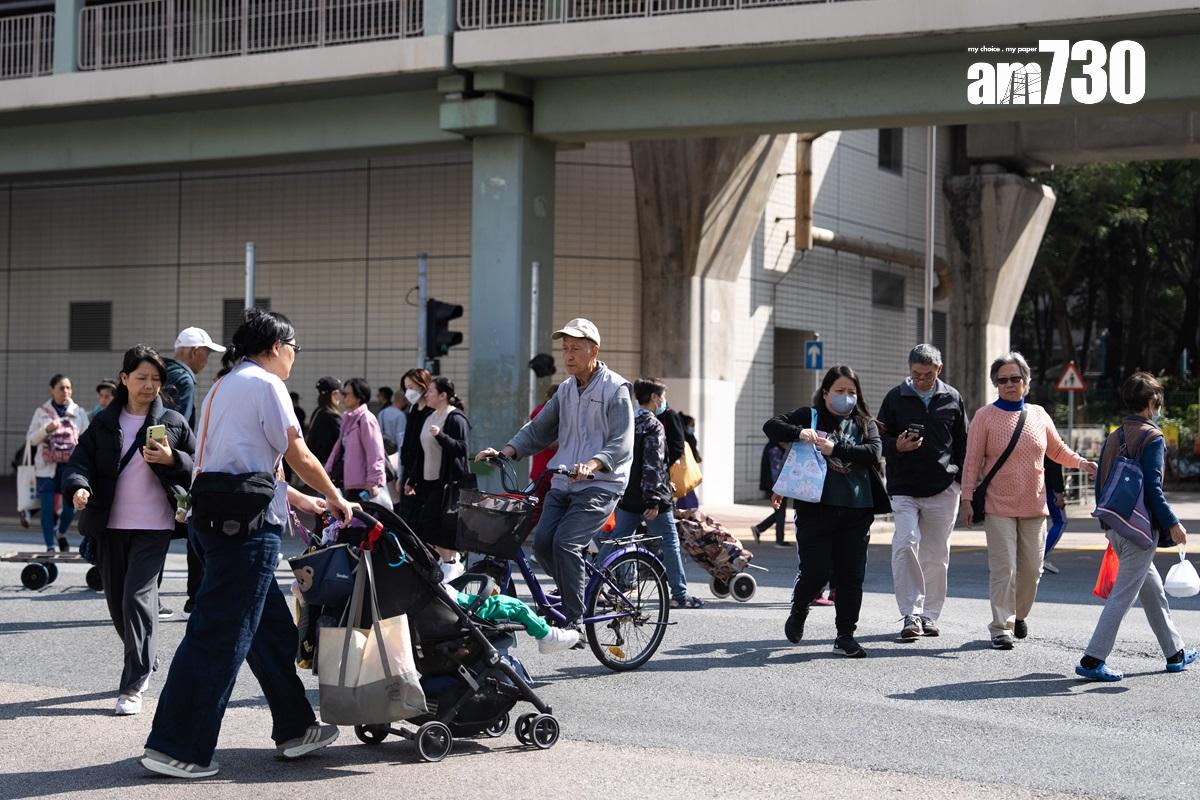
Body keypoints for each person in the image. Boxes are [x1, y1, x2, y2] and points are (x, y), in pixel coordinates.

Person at [142, 309, 354, 779]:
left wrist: (298, 499)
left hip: (216, 520)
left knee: (269, 631)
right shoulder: (266, 384)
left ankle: (297, 728)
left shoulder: (224, 385)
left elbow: (240, 461)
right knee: (219, 637)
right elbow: (296, 453)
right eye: (295, 347)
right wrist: (334, 496)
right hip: (246, 531)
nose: (295, 357)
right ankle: (178, 747)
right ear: (277, 345)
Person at [475, 318, 634, 631]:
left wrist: (593, 464)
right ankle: (583, 587)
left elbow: (622, 441)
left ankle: (574, 620)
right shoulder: (564, 390)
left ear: (594, 351)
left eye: (576, 348)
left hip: (601, 483)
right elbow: (538, 429)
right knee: (544, 543)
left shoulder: (616, 389)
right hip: (564, 480)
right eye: (565, 349)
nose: (569, 355)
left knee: (565, 543)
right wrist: (506, 451)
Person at [62, 345, 196, 716]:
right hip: (110, 526)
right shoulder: (104, 422)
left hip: (155, 526)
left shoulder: (172, 421)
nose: (149, 385)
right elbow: (79, 462)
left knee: (137, 597)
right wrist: (78, 487)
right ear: (125, 379)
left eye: (156, 379)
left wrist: (173, 459)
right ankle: (146, 657)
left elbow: (198, 465)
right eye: (141, 378)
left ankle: (133, 684)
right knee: (119, 605)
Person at [960, 352, 1097, 651]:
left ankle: (1019, 614)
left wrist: (1081, 462)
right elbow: (971, 463)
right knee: (1004, 568)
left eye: (1015, 379)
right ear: (996, 384)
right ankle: (1001, 627)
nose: (1009, 384)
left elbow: (1057, 450)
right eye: (1003, 380)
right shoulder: (984, 417)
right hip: (998, 506)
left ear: (1026, 382)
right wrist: (967, 499)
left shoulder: (1038, 415)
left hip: (1035, 506)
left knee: (1033, 569)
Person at [1076, 372, 1195, 681]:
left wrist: (1107, 523)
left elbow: (1102, 482)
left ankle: (1175, 653)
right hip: (1141, 532)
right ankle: (1092, 660)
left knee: (1152, 591)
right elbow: (1154, 489)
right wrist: (1173, 524)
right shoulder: (1152, 437)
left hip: (1117, 527)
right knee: (1123, 597)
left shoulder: (1114, 436)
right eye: (1159, 401)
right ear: (1152, 402)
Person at [765, 364, 891, 658]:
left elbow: (873, 452)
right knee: (815, 571)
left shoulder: (864, 423)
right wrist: (799, 432)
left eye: (851, 392)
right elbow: (771, 426)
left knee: (851, 575)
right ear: (825, 394)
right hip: (815, 508)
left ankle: (845, 635)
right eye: (839, 391)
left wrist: (836, 449)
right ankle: (799, 609)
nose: (846, 397)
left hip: (857, 510)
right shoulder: (809, 416)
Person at [876, 344, 969, 641]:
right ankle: (909, 613)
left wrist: (960, 482)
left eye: (927, 375)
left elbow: (963, 444)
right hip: (903, 487)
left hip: (943, 487)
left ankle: (930, 615)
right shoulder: (895, 397)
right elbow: (878, 438)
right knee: (905, 543)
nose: (921, 380)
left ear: (939, 369)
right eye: (915, 374)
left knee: (936, 554)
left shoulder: (952, 398)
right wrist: (896, 446)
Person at [604, 377, 702, 609]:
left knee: (617, 540)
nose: (664, 401)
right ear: (655, 398)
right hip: (651, 500)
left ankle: (589, 583)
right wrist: (654, 498)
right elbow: (653, 464)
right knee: (670, 542)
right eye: (663, 397)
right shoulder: (653, 425)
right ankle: (680, 594)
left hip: (627, 496)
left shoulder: (628, 422)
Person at [404, 377, 471, 567]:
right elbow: (421, 452)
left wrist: (440, 436)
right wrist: (413, 479)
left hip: (446, 482)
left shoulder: (455, 418)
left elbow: (462, 449)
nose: (427, 394)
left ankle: (450, 562)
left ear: (443, 395)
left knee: (434, 522)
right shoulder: (429, 417)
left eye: (431, 391)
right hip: (427, 480)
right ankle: (449, 561)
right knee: (428, 524)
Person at [26, 374, 90, 552]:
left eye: (69, 388)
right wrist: (46, 429)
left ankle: (60, 532)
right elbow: (31, 440)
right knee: (47, 510)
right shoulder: (41, 412)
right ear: (52, 390)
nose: (66, 392)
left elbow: (86, 441)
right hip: (46, 469)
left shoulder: (79, 412)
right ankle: (50, 546)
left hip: (71, 469)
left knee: (70, 509)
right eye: (61, 388)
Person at [326, 377, 391, 511]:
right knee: (348, 524)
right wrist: (327, 469)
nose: (343, 397)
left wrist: (373, 481)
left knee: (359, 526)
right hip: (347, 482)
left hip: (362, 485)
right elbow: (338, 448)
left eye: (346, 394)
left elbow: (375, 452)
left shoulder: (366, 419)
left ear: (358, 397)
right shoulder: (348, 418)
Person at [163, 327, 226, 429]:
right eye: (207, 354)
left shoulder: (159, 373)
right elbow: (179, 428)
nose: (206, 361)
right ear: (195, 352)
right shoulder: (184, 380)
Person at [398, 368, 434, 520]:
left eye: (411, 387)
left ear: (423, 385)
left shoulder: (431, 411)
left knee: (417, 519)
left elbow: (424, 448)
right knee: (405, 518)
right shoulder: (413, 409)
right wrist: (402, 475)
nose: (408, 392)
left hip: (421, 474)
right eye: (406, 388)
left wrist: (412, 479)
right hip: (408, 469)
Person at [752, 440, 789, 546]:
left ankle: (759, 528)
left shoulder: (772, 446)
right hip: (776, 486)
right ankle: (779, 540)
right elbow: (776, 470)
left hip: (773, 485)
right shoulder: (775, 449)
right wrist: (779, 488)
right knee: (780, 512)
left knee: (779, 512)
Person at [305, 377, 342, 470]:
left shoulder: (318, 412)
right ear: (334, 394)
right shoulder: (332, 416)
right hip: (327, 465)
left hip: (314, 463)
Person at [1042, 458, 1066, 574]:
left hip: (1033, 488)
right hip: (1049, 488)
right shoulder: (1051, 444)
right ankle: (1043, 554)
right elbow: (1055, 470)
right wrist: (1059, 493)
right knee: (1061, 521)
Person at [675, 412, 702, 510]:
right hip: (685, 470)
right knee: (687, 494)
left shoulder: (685, 437)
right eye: (691, 425)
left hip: (686, 471)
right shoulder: (685, 439)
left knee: (686, 493)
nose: (693, 428)